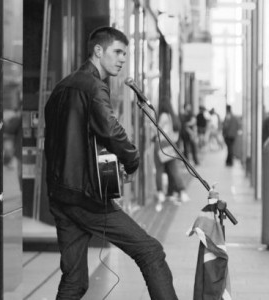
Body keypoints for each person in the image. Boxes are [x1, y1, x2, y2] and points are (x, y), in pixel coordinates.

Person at [43, 27, 177, 299]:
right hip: (86, 198)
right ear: (98, 51)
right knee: (150, 251)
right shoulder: (93, 87)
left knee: (74, 281)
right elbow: (110, 130)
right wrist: (132, 160)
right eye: (117, 52)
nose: (122, 59)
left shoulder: (61, 88)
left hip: (60, 195)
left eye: (125, 54)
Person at [154, 99, 190, 211]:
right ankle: (182, 191)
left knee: (159, 169)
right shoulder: (174, 117)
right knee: (174, 169)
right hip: (171, 144)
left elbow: (157, 130)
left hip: (161, 144)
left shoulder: (164, 116)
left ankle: (160, 192)